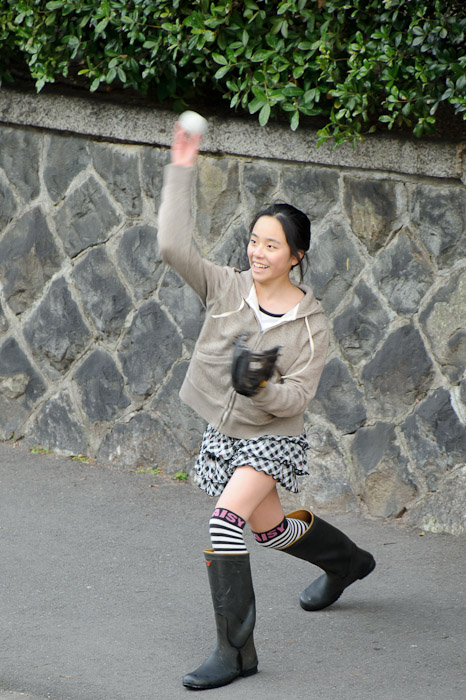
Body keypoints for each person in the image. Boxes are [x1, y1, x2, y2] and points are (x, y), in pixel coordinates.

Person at [157, 123, 375, 691]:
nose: (257, 251)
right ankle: (345, 562)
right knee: (271, 530)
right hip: (225, 432)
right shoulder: (226, 288)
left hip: (274, 434)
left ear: (296, 256)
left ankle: (236, 653)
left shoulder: (311, 324)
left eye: (271, 244)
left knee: (225, 525)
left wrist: (259, 388)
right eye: (254, 240)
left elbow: (298, 397)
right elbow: (173, 247)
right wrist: (183, 165)